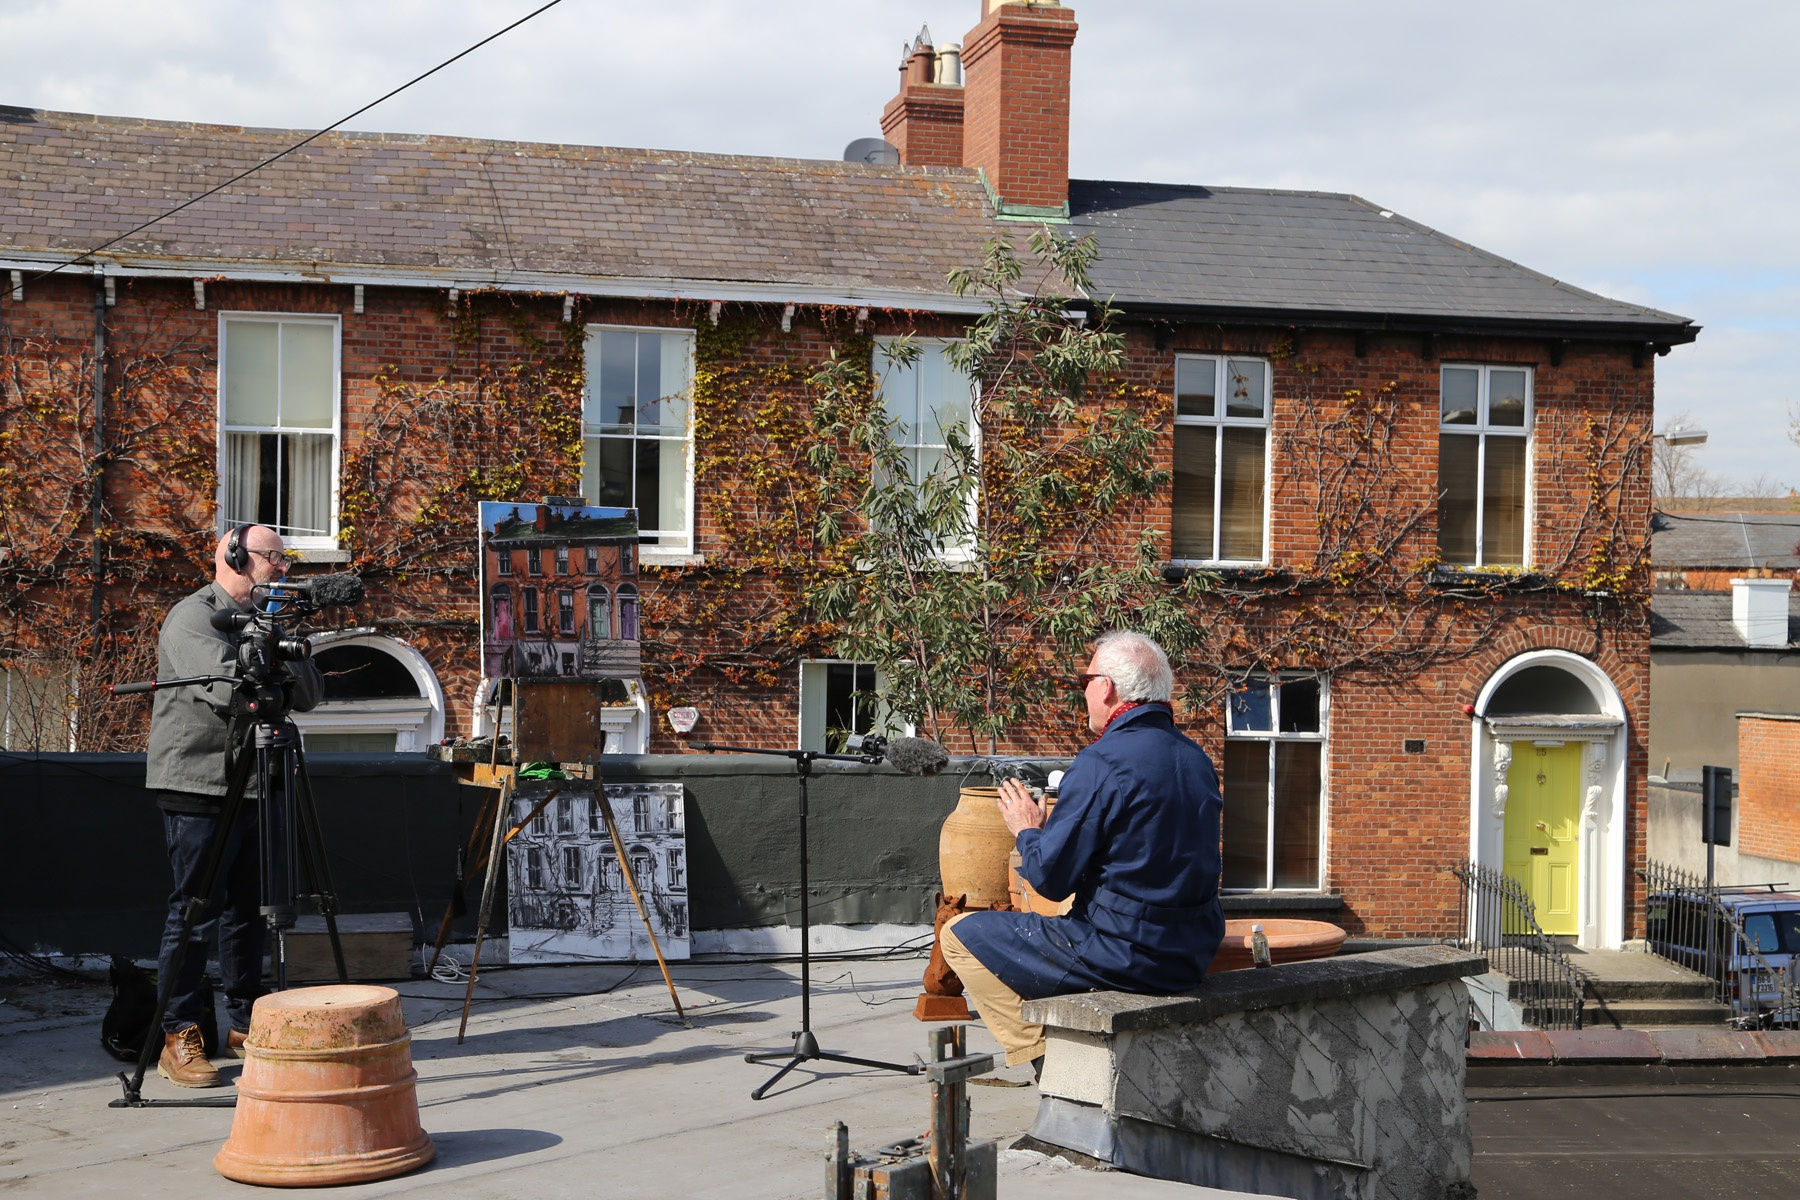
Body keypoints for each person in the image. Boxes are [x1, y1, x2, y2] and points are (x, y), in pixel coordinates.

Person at [940, 630, 1224, 1074]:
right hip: (1189, 954)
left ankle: (1053, 1066)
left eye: (1085, 681)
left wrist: (1027, 829)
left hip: (1124, 955)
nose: (1084, 693)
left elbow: (1050, 878)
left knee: (959, 935)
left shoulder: (1103, 761)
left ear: (1106, 687)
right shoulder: (1196, 759)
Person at [144, 524, 322, 1087]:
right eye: (273, 557)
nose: (283, 568)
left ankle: (246, 1021)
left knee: (250, 909)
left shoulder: (270, 619)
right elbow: (232, 692)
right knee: (194, 911)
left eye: (284, 558)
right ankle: (180, 1033)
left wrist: (276, 638)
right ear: (235, 554)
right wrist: (266, 651)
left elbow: (310, 696)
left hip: (258, 781)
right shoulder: (193, 616)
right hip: (199, 782)